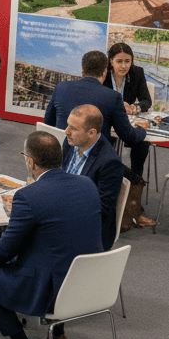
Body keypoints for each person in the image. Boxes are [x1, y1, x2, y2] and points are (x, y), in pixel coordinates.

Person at [0, 131, 102, 339]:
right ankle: (58, 335)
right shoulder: (88, 185)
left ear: (30, 161)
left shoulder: (28, 197)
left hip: (48, 290)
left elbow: (5, 251)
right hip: (87, 284)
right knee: (59, 250)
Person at [44, 50, 149, 148]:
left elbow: (48, 122)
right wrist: (141, 130)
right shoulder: (113, 97)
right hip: (93, 162)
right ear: (104, 72)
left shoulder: (60, 87)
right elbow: (128, 136)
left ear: (82, 71)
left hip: (62, 155)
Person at [62, 105, 125, 250]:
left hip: (87, 229)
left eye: (73, 128)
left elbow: (101, 211)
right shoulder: (71, 142)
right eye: (68, 125)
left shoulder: (109, 163)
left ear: (91, 133)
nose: (66, 132)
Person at [104, 42, 151, 178]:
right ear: (111, 61)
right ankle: (108, 177)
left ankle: (136, 181)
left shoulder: (137, 72)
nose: (123, 66)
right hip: (107, 119)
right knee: (104, 141)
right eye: (119, 61)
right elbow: (96, 95)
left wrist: (134, 107)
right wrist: (115, 106)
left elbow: (146, 100)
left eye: (127, 61)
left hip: (126, 121)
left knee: (142, 142)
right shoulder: (104, 73)